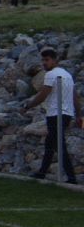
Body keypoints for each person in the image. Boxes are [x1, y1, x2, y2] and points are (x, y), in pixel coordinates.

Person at [27, 48, 80, 183]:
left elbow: (43, 94)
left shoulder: (51, 75)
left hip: (55, 114)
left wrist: (28, 106)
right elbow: (75, 97)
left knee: (59, 145)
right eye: (43, 60)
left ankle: (71, 178)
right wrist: (78, 115)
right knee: (50, 144)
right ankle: (42, 173)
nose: (44, 63)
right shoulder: (67, 75)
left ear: (55, 60)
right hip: (66, 115)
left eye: (47, 60)